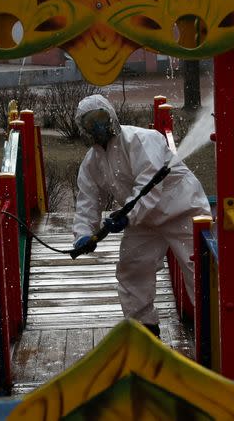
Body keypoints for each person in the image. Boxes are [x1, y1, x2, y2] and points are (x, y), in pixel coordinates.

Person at [72, 95, 210, 337]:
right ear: (83, 128)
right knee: (132, 269)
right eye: (90, 123)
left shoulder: (141, 139)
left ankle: (214, 326)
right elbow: (87, 199)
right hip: (143, 221)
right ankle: (144, 330)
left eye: (101, 119)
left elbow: (149, 184)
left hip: (183, 211)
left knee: (198, 267)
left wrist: (127, 216)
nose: (98, 127)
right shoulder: (92, 161)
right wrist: (83, 234)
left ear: (112, 117)